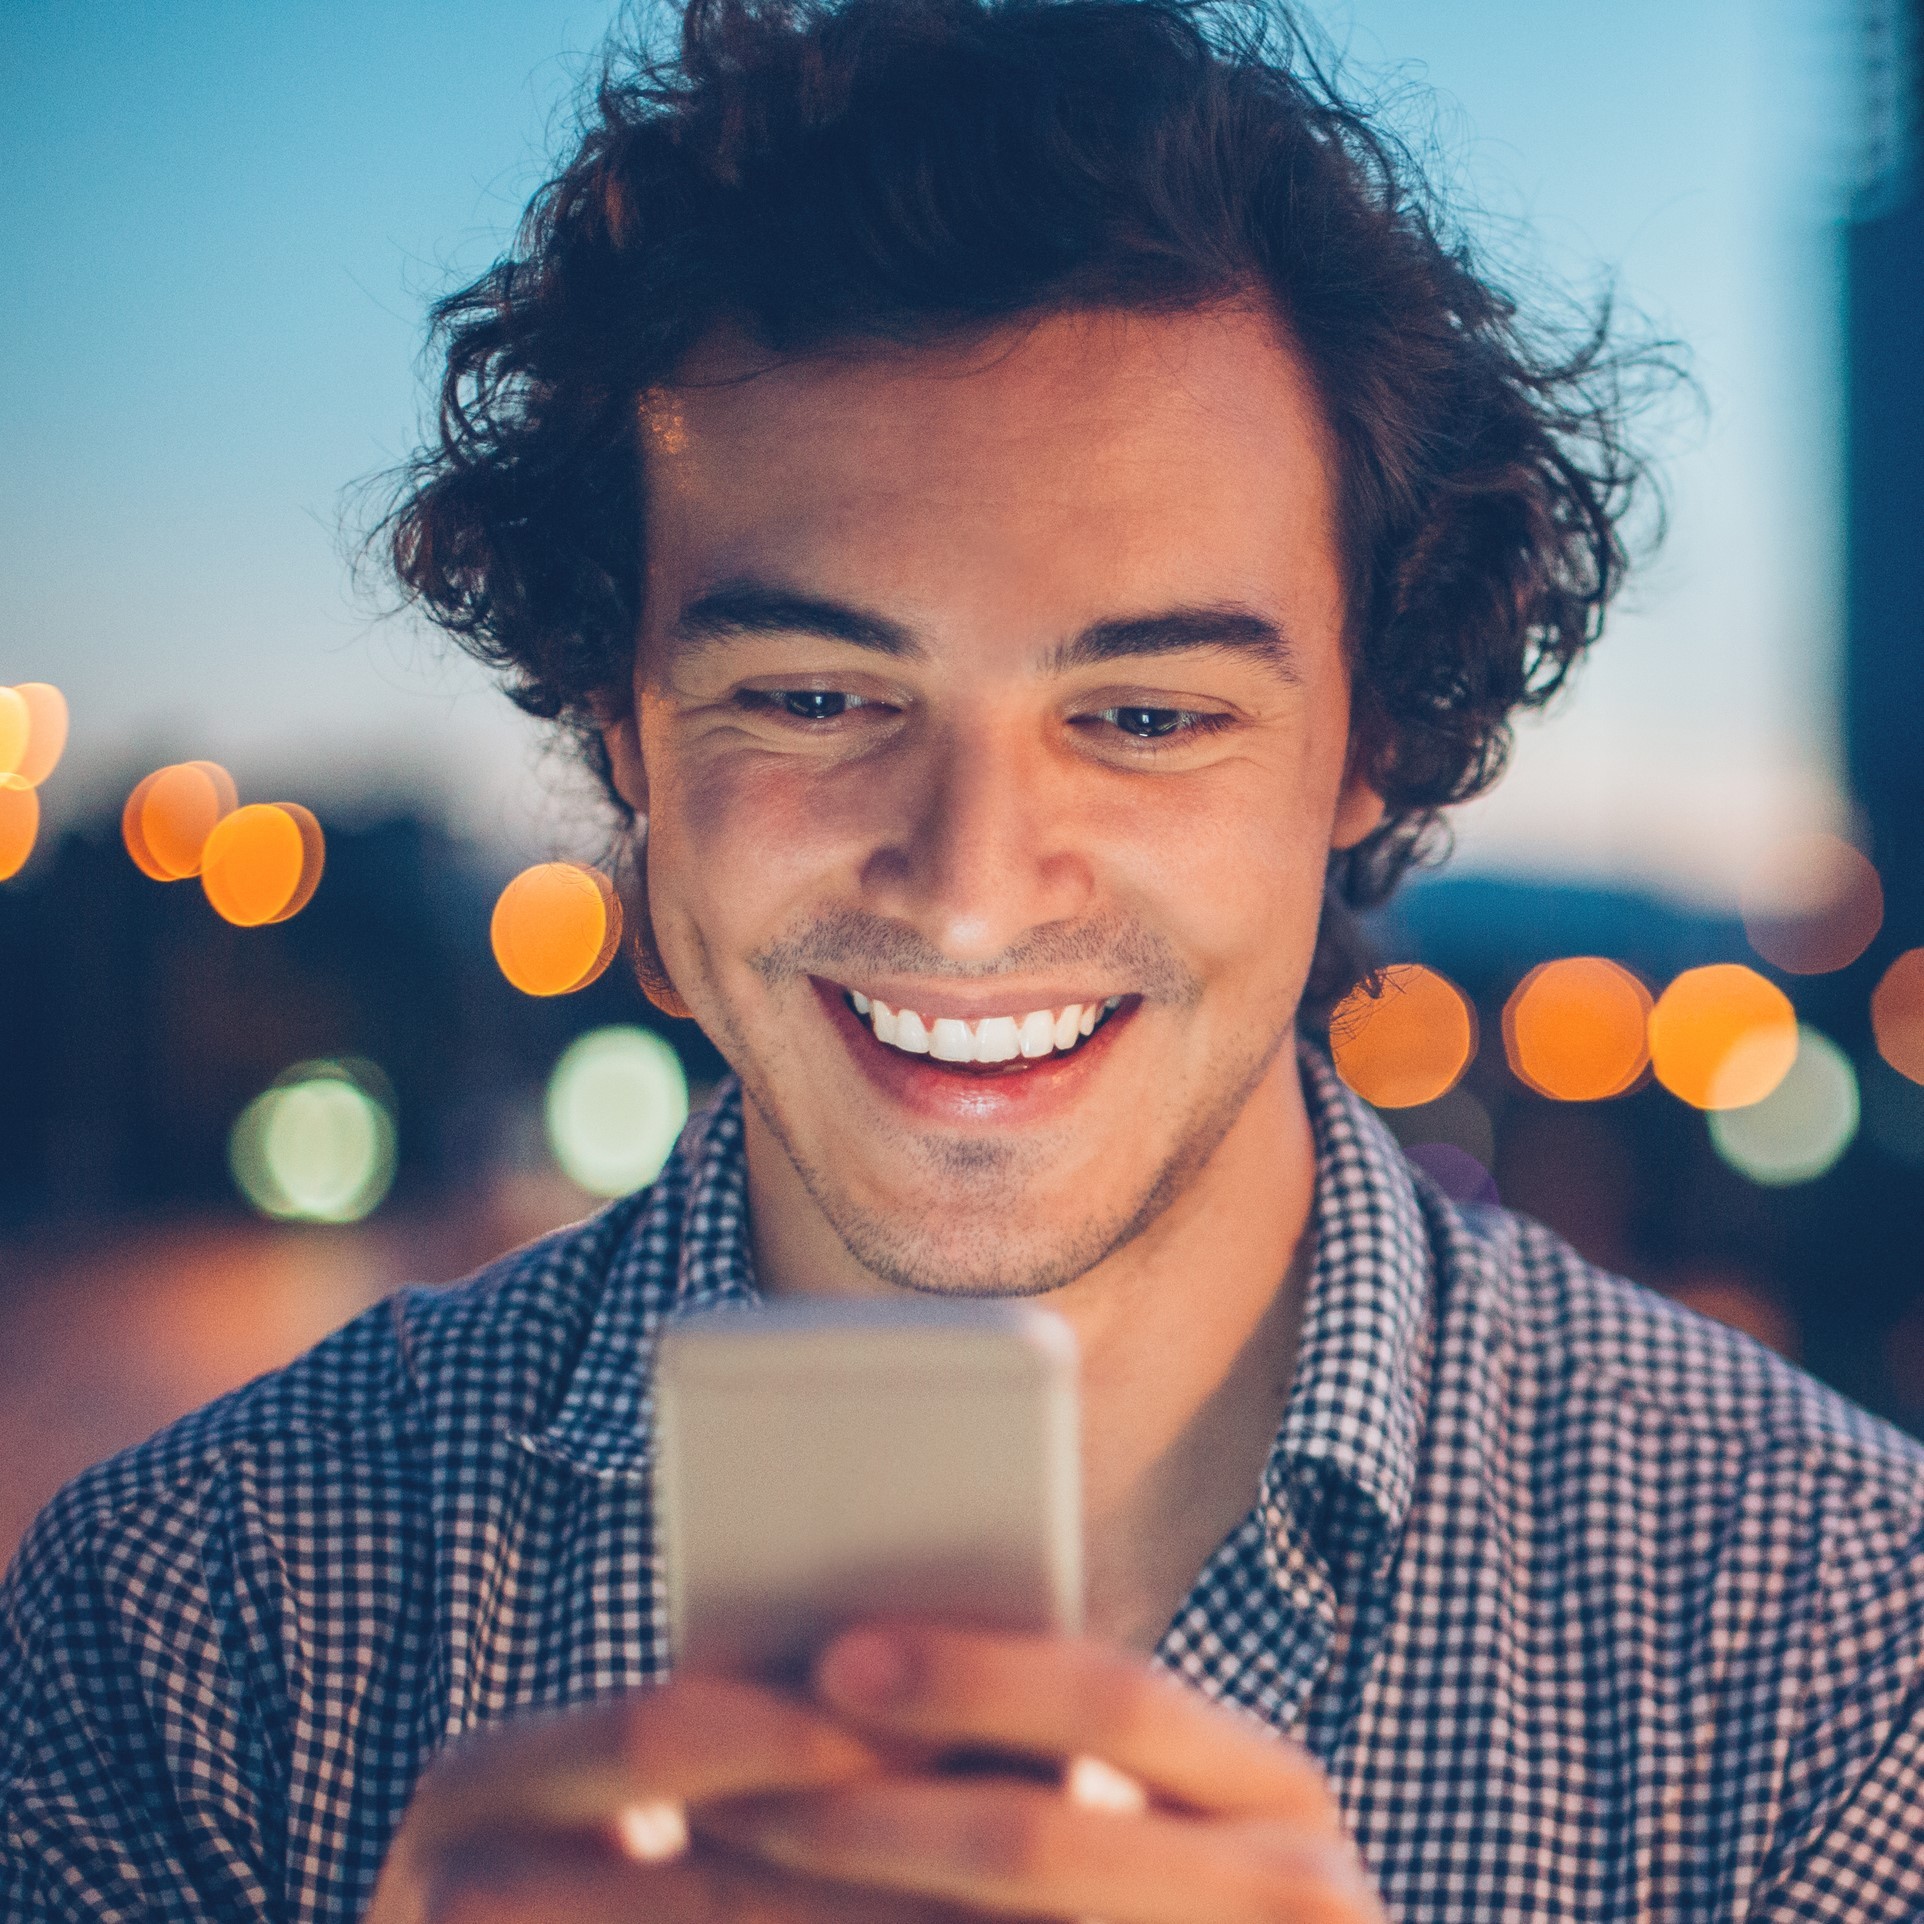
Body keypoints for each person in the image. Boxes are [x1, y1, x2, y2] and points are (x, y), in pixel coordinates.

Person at [6, 0, 1923, 1917]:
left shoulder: (1837, 1647)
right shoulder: (194, 1628)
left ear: (1370, 746)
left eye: (1151, 715)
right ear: (627, 736)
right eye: (822, 695)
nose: (973, 891)